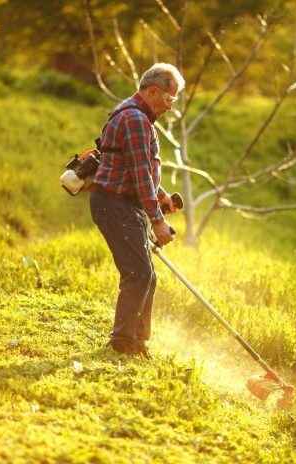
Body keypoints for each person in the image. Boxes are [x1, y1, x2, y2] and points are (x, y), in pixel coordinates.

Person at [90, 63, 184, 358]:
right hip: (114, 204)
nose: (170, 107)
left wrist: (162, 196)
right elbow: (141, 173)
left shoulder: (135, 114)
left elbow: (138, 170)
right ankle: (122, 343)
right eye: (170, 99)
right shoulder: (135, 119)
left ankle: (137, 342)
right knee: (138, 273)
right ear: (153, 91)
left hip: (123, 203)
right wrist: (157, 220)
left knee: (147, 275)